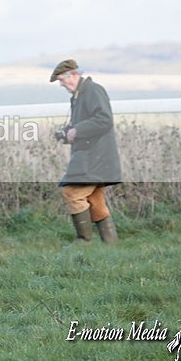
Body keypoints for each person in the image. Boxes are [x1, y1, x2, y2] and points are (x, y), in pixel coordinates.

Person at [51, 59, 121, 245]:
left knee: (71, 191)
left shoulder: (93, 90)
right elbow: (86, 123)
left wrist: (77, 131)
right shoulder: (79, 95)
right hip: (90, 156)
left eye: (62, 80)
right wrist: (67, 132)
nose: (61, 84)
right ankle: (111, 245)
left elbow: (104, 120)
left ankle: (84, 241)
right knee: (95, 199)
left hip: (95, 157)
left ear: (73, 74)